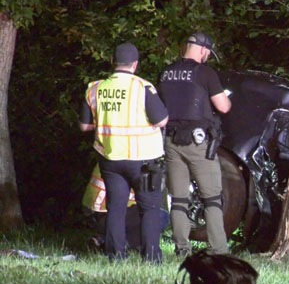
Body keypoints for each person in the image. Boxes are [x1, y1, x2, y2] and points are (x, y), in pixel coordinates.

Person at [79, 43, 168, 263]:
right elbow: (162, 120)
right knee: (149, 208)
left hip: (111, 158)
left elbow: (84, 126)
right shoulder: (143, 87)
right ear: (135, 65)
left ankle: (116, 256)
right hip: (143, 159)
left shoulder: (95, 88)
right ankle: (151, 259)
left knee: (116, 208)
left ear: (112, 62)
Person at [159, 32, 231, 257]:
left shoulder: (166, 73)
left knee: (179, 200)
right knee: (212, 198)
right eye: (208, 52)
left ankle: (182, 249)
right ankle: (218, 250)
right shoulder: (206, 73)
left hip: (171, 141)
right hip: (199, 144)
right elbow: (223, 107)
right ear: (203, 50)